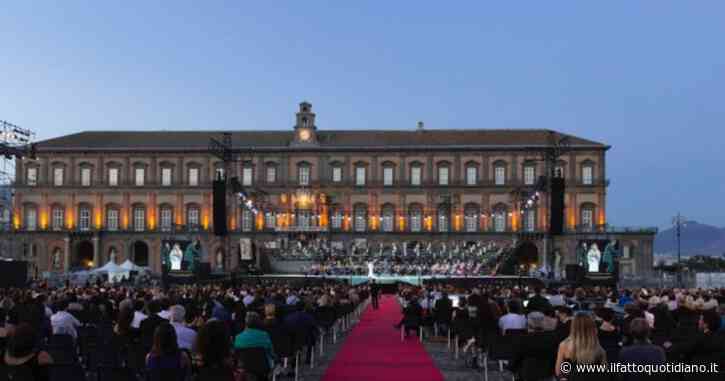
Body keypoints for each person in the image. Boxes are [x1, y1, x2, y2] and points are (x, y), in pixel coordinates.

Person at [555, 313, 608, 380]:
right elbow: (604, 369)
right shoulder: (597, 345)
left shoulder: (565, 345)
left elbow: (559, 371)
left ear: (573, 326)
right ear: (591, 327)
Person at [509, 312, 559, 381]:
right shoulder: (554, 338)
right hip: (548, 374)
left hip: (527, 375)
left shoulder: (523, 340)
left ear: (528, 324)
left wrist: (512, 369)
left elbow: (514, 360)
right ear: (543, 323)